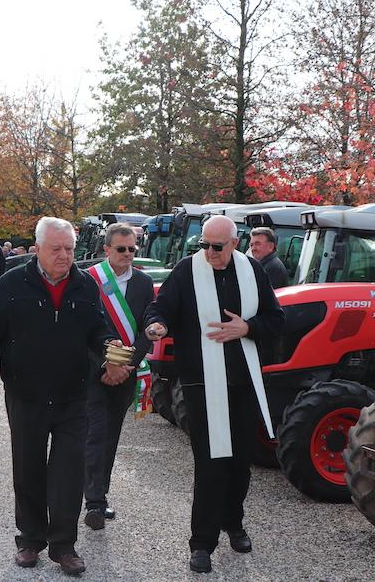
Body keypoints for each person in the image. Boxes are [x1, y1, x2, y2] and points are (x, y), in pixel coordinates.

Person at [0, 217, 114, 576]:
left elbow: (98, 329)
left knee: (68, 471)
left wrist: (110, 350)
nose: (65, 255)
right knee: (29, 467)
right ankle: (30, 540)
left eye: (69, 248)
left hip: (72, 397)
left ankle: (64, 546)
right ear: (38, 250)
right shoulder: (12, 283)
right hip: (27, 394)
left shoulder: (84, 286)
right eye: (57, 249)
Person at [143, 215, 284, 574]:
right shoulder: (187, 270)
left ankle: (233, 523)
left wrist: (247, 327)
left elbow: (276, 319)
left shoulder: (253, 271)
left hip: (243, 382)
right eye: (203, 244)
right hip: (202, 383)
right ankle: (202, 542)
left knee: (240, 463)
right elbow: (162, 307)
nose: (208, 252)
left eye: (216, 246)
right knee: (210, 464)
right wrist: (156, 324)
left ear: (235, 244)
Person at [82, 223, 155, 531]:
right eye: (122, 249)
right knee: (94, 434)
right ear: (107, 249)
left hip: (126, 373)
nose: (128, 254)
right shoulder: (89, 280)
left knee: (111, 437)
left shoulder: (144, 282)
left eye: (132, 249)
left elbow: (148, 327)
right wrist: (106, 364)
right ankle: (93, 502)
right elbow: (83, 327)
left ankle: (100, 494)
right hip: (93, 372)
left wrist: (126, 365)